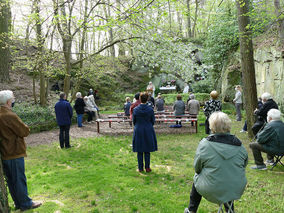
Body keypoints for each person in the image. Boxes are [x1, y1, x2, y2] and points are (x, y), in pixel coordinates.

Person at [184, 112, 248, 213]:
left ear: (211, 126)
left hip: (211, 188)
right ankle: (230, 210)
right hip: (235, 187)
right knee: (229, 177)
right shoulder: (239, 145)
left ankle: (192, 210)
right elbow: (244, 165)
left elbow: (197, 168)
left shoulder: (205, 144)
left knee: (197, 177)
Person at [0, 90, 42, 211]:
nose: (14, 101)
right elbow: (24, 131)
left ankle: (18, 203)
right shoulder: (9, 115)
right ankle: (25, 203)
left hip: (6, 152)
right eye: (13, 99)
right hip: (13, 151)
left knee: (12, 180)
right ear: (8, 102)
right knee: (18, 179)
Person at [132, 92, 157, 172]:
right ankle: (147, 167)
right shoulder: (150, 110)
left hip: (138, 129)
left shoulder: (136, 109)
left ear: (140, 99)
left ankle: (140, 168)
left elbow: (134, 120)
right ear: (147, 99)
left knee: (139, 149)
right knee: (147, 149)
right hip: (148, 129)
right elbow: (153, 121)